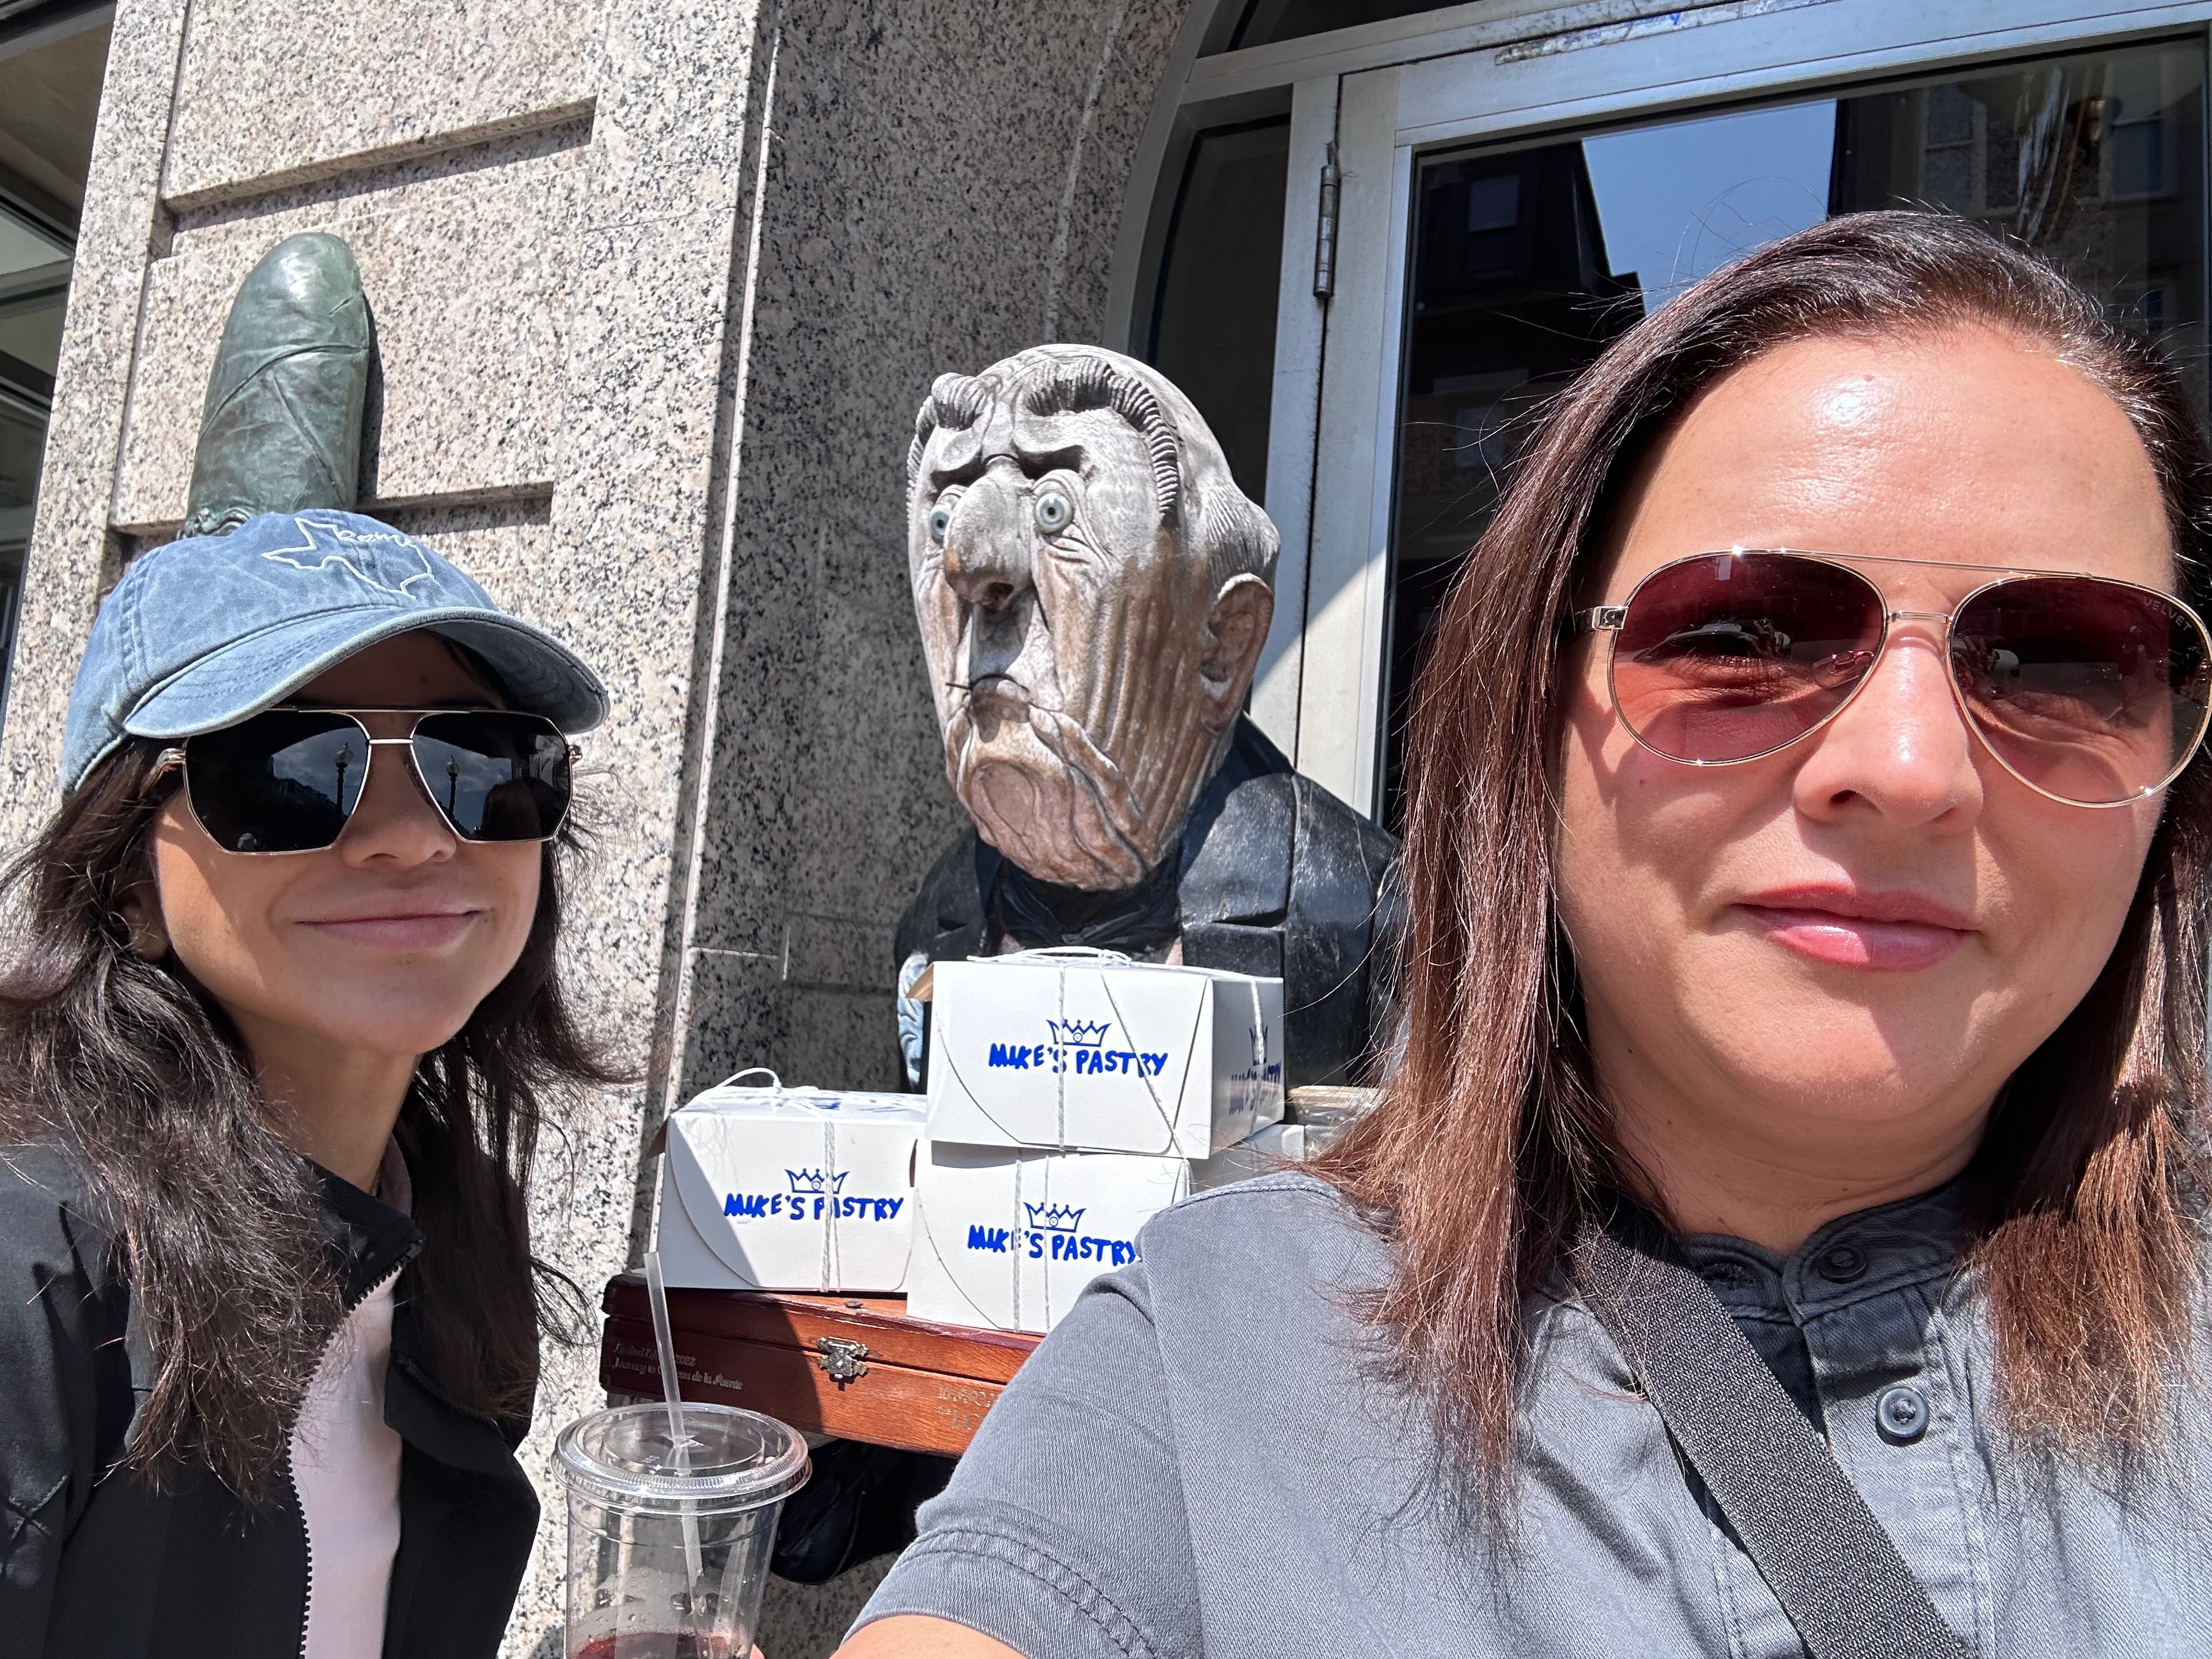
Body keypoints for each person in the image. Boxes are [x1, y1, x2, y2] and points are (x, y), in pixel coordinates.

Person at [838, 211, 2212, 1657]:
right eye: (1743, 636)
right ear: (1533, 720)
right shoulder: (1206, 1361)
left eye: (2066, 660)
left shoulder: (1330, 894)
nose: (1913, 767)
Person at [0, 510, 613, 1658]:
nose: (410, 835)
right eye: (286, 768)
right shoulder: (31, 1265)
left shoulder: (443, 1240)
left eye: (478, 762)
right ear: (123, 883)